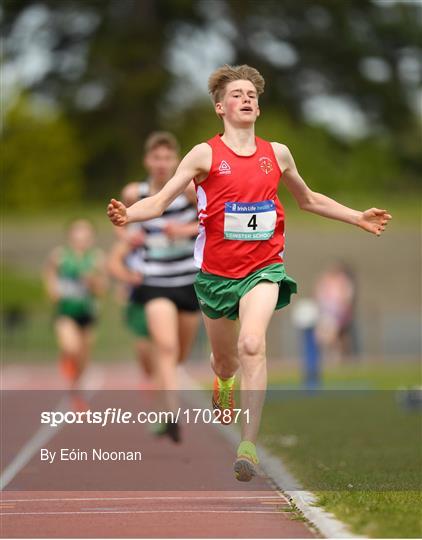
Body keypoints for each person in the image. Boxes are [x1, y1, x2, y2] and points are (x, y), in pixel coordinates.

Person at [107, 65, 392, 481]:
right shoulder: (204, 155)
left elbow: (308, 199)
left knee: (253, 344)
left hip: (264, 268)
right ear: (221, 107)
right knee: (225, 361)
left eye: (252, 94)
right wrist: (127, 215)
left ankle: (248, 446)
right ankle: (222, 381)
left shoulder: (277, 153)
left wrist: (357, 217)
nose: (246, 99)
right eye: (237, 94)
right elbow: (161, 202)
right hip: (215, 275)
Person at [108, 132, 201, 442]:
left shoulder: (189, 190)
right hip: (155, 280)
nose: (162, 164)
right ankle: (172, 414)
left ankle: (163, 402)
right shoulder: (135, 192)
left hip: (188, 279)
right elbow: (121, 224)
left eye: (167, 158)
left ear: (176, 161)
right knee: (166, 346)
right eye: (156, 158)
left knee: (179, 355)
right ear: (147, 160)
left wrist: (184, 229)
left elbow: (211, 222)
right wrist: (128, 237)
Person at [44, 219, 106, 399]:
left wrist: (92, 281)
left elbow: (102, 289)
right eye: (78, 235)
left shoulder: (96, 258)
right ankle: (68, 365)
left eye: (86, 236)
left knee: (83, 358)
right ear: (70, 237)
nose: (81, 240)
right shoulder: (60, 255)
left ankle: (76, 385)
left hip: (88, 312)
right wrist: (52, 288)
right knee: (71, 347)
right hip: (65, 311)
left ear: (91, 238)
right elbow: (49, 273)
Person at [314, 262, 358, 363]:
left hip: (339, 314)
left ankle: (338, 356)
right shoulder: (325, 281)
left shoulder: (342, 282)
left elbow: (347, 298)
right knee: (325, 334)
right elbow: (319, 296)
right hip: (326, 314)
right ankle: (329, 356)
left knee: (336, 335)